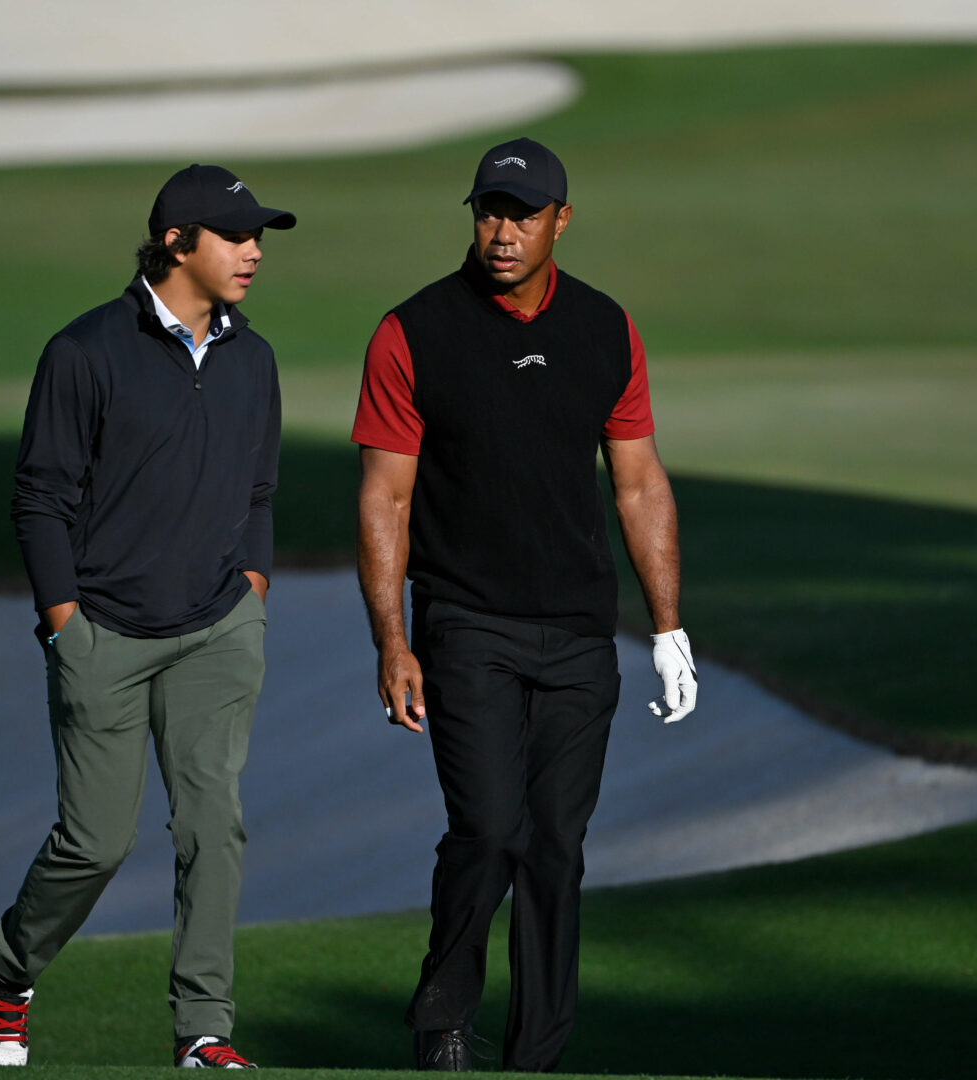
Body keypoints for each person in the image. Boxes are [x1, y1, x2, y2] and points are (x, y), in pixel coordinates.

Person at [352, 137, 698, 1073]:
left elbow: (638, 484)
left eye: (523, 214)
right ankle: (444, 1019)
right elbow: (384, 498)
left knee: (556, 849)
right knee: (491, 829)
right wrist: (393, 641)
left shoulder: (606, 329)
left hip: (581, 632)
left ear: (561, 220)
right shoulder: (414, 331)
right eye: (488, 211)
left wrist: (668, 628)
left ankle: (537, 1057)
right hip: (467, 623)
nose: (502, 232)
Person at [0, 164, 293, 1069]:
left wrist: (253, 584)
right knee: (96, 842)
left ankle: (205, 1030)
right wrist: (64, 621)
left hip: (219, 627)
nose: (254, 251)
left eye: (258, 236)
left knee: (211, 827)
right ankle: (3, 968)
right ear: (178, 242)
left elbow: (259, 489)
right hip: (103, 631)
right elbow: (40, 498)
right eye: (235, 235)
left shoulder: (252, 358)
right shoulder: (85, 352)